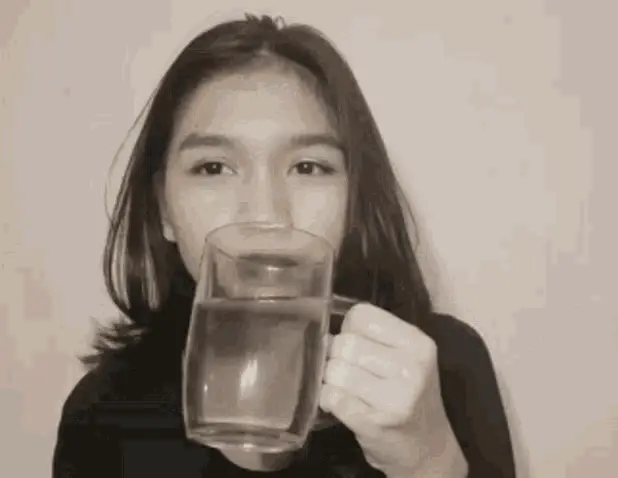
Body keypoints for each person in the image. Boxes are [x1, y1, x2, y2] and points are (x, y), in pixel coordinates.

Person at [52, 14, 516, 478]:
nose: (266, 215)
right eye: (213, 168)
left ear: (354, 199)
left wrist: (428, 460)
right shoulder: (103, 410)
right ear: (163, 210)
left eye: (308, 167)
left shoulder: (441, 370)